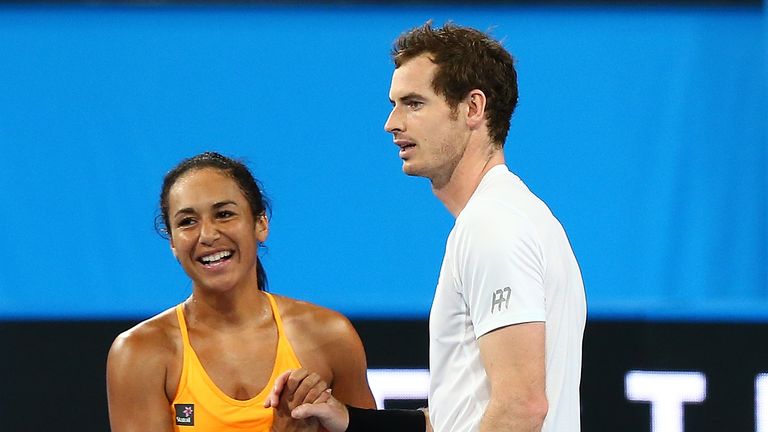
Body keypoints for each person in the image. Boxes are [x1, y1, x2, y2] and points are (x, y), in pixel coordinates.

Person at [268, 22, 587, 432]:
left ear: (473, 108)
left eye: (413, 103)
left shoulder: (494, 225)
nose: (392, 122)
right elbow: (461, 417)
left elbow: (521, 407)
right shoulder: (508, 216)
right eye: (394, 103)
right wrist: (346, 419)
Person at [106, 152, 376, 431]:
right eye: (187, 221)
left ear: (260, 224)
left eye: (224, 214)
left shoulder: (331, 336)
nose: (207, 235)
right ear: (172, 242)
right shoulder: (139, 354)